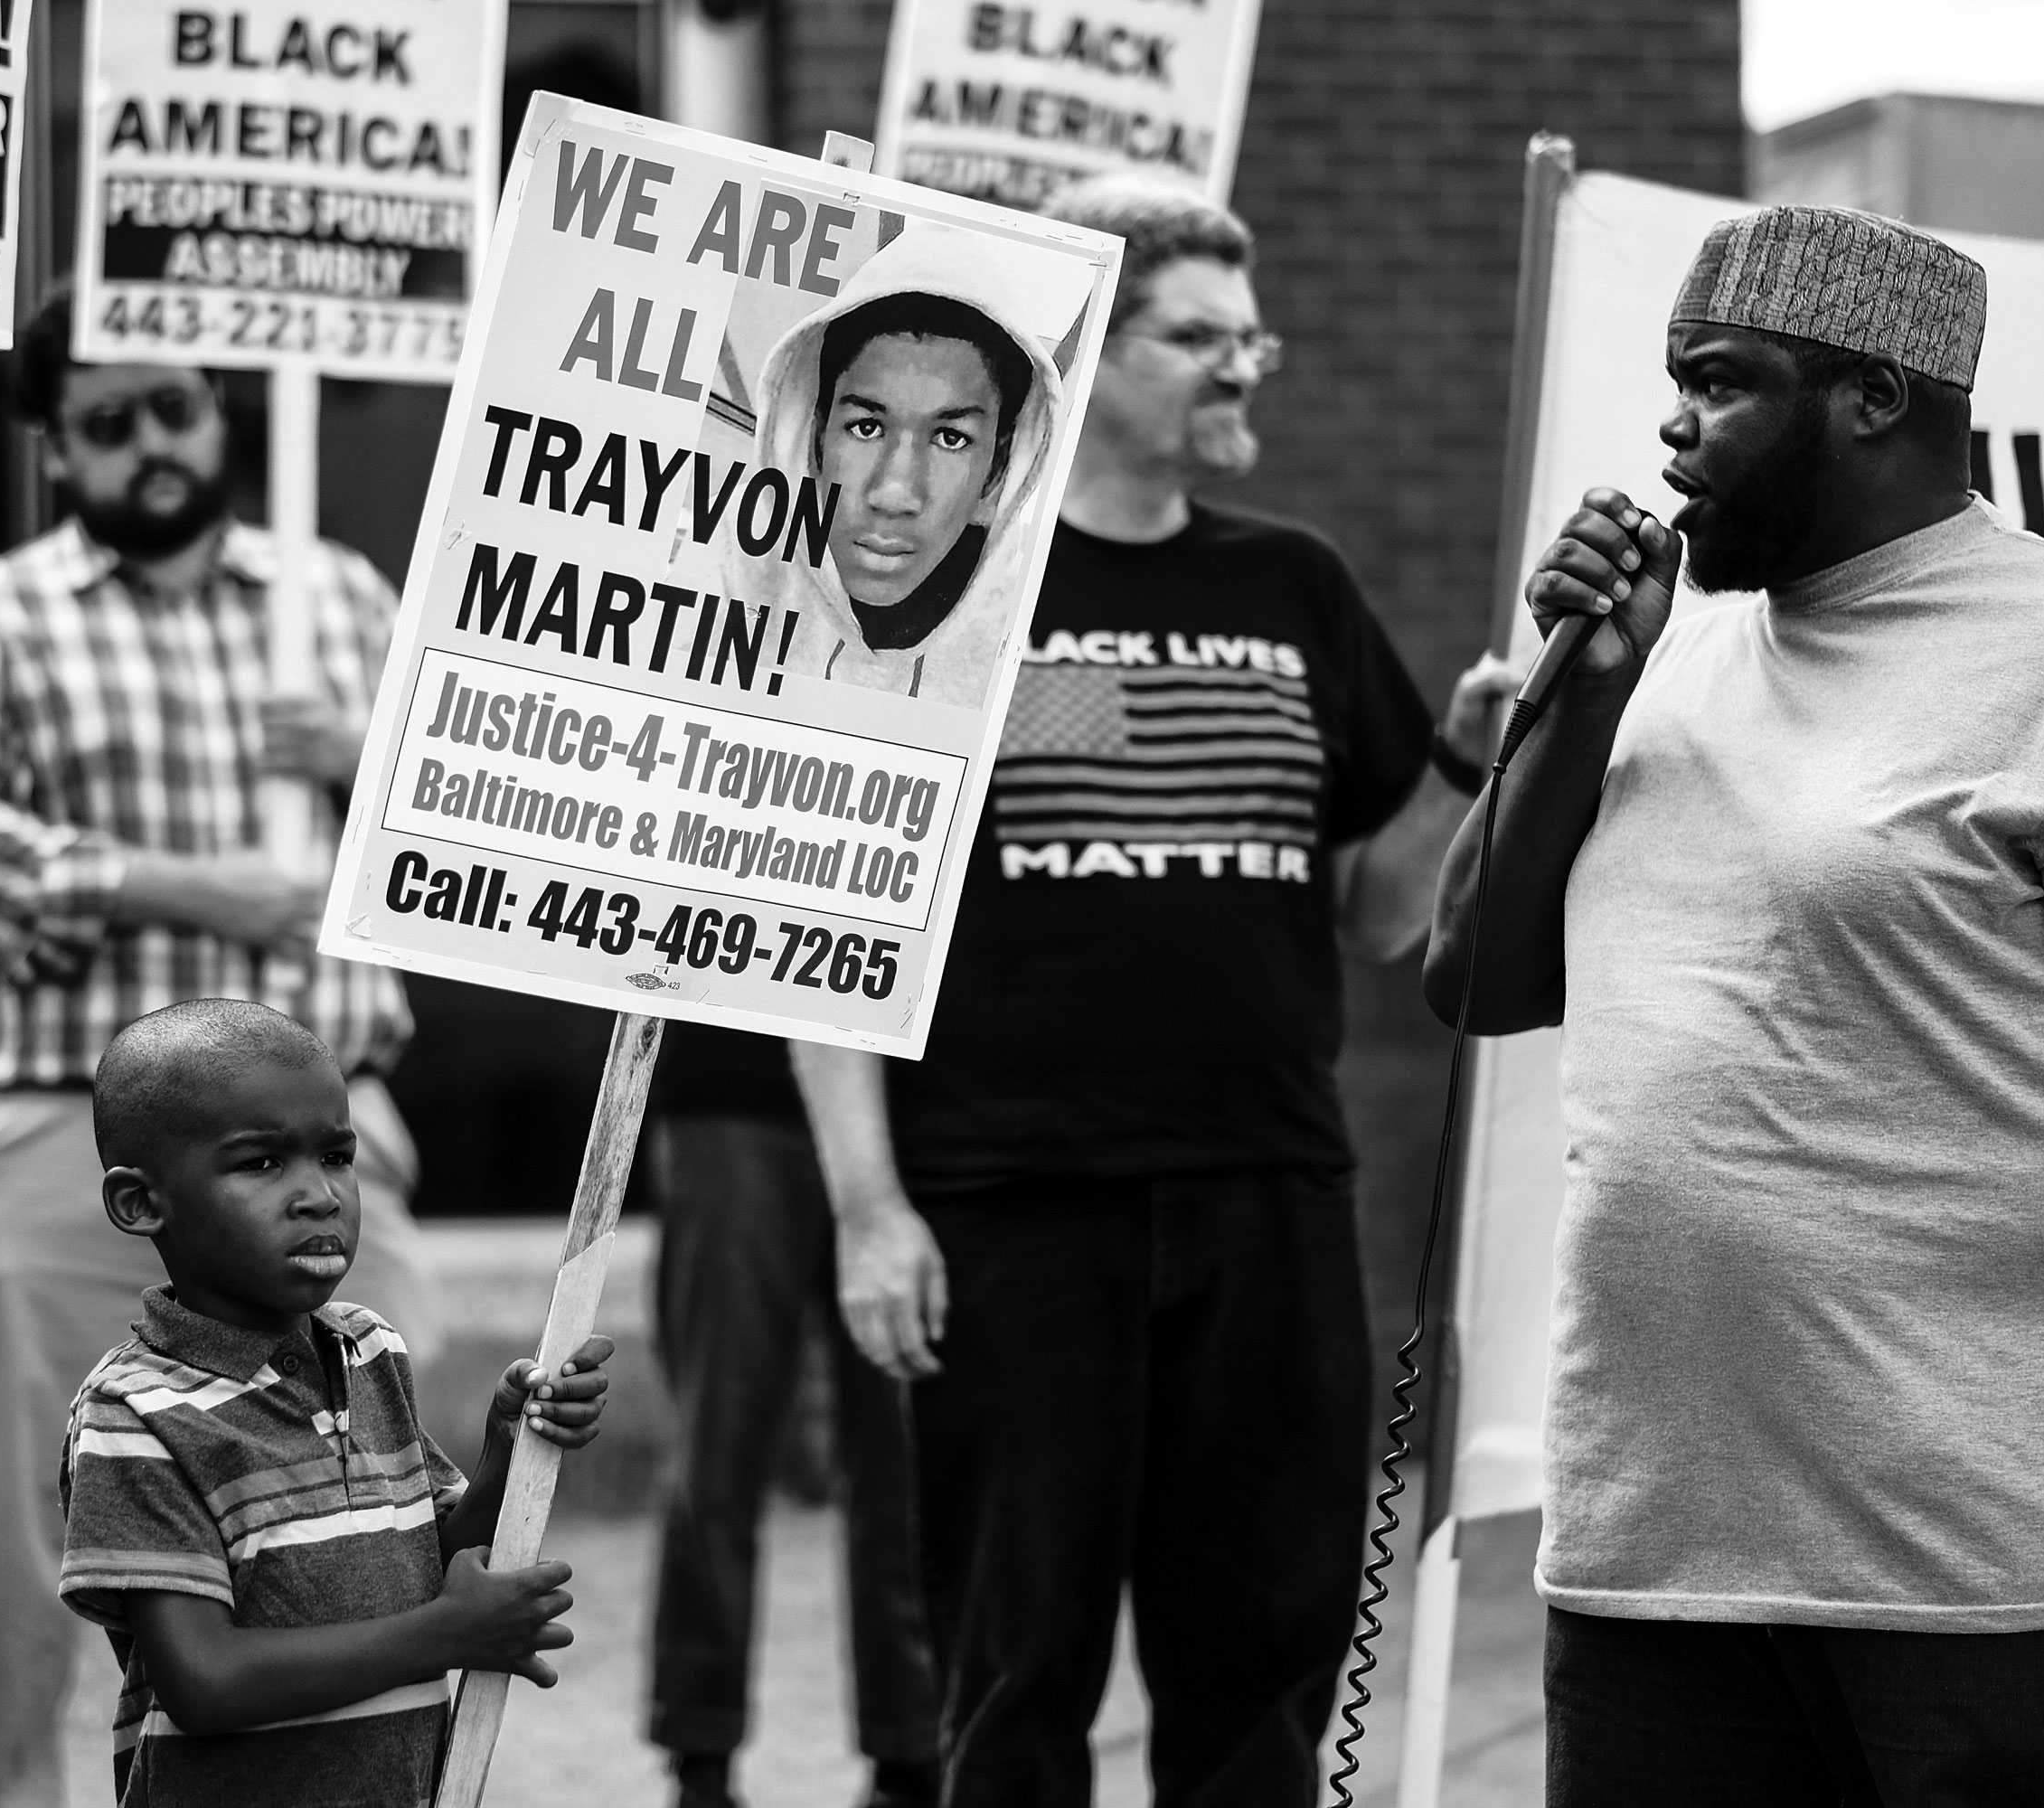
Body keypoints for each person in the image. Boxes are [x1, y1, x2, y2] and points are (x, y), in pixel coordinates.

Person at [788, 174, 1518, 1808]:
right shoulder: (944, 590)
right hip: (1013, 1203)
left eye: (1250, 335)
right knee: (1015, 1667)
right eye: (1197, 336)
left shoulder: (1297, 586)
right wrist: (867, 1208)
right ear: (1087, 359)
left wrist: (1465, 760)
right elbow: (829, 922)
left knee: (1261, 1666)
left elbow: (1381, 921)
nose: (1244, 365)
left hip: (1263, 1191)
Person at [1427, 204, 2044, 1803]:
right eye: (1673, 381)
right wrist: (1585, 690)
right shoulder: (1661, 655)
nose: (1674, 424)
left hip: (1988, 1577)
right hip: (1652, 1554)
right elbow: (1475, 976)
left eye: (1721, 382)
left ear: (1876, 396)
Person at [0, 285, 444, 1808]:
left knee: (369, 1534)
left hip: (332, 1149)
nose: (151, 442)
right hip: (73, 1150)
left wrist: (372, 758)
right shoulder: (0, 614)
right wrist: (175, 884)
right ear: (56, 444)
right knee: (19, 1552)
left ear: (225, 411)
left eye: (177, 406)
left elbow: (468, 825)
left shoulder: (338, 596)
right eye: (109, 419)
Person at [60, 998, 615, 1808]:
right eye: (260, 1164)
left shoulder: (367, 1350)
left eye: (337, 1156)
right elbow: (205, 1682)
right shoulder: (136, 1412)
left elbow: (427, 1564)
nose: (320, 1195)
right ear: (142, 1204)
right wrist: (446, 1638)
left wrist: (512, 1450)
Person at [642, 1024, 937, 1808]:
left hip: (908, 1085)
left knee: (907, 1452)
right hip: (731, 1080)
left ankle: (916, 1750)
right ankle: (699, 1752)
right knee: (718, 1438)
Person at [736, 221, 1064, 709]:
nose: (894, 493)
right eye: (866, 427)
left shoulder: (1037, 652)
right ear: (816, 441)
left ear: (995, 473)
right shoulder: (730, 585)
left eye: (951, 438)